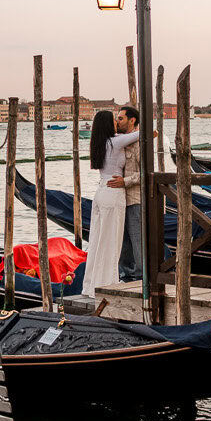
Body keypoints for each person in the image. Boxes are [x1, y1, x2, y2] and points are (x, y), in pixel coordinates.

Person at [80, 110, 135, 296]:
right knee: (112, 242)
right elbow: (147, 133)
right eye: (114, 120)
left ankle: (90, 285)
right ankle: (107, 283)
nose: (116, 123)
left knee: (97, 240)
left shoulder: (100, 142)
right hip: (113, 194)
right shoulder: (115, 142)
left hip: (101, 192)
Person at [115, 105, 144, 280]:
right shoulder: (119, 141)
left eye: (121, 118)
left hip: (134, 199)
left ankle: (141, 279)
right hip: (118, 200)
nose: (118, 122)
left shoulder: (140, 143)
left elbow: (145, 172)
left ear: (132, 120)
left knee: (137, 241)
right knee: (122, 243)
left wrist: (124, 182)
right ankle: (125, 277)